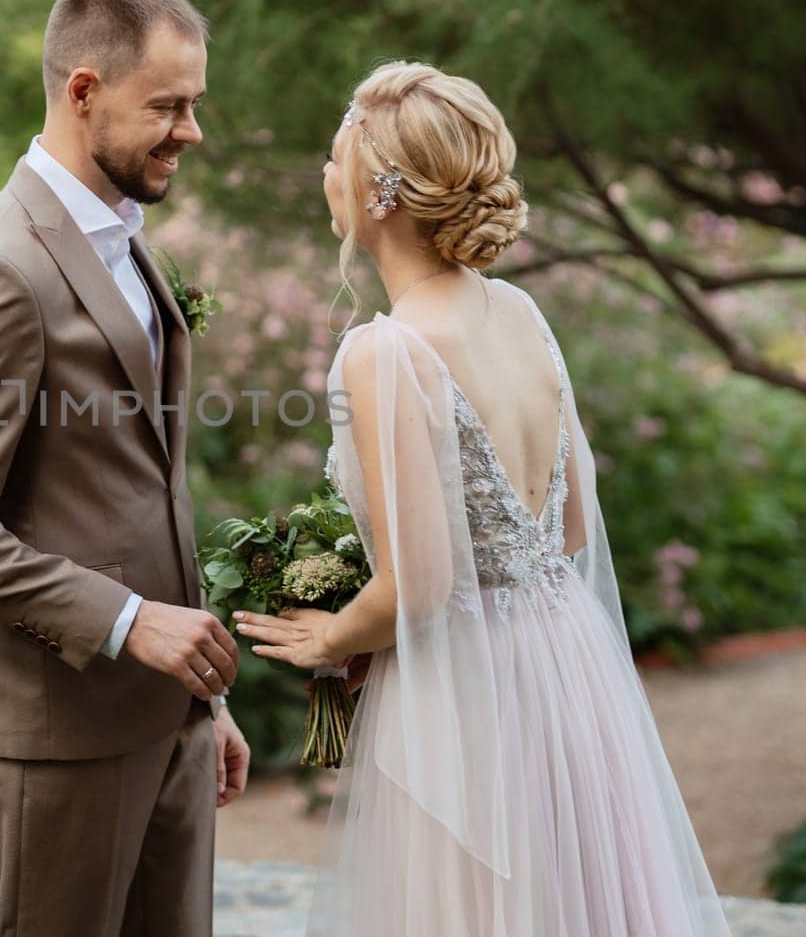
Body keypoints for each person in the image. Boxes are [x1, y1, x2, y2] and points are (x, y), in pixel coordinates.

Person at [235, 61, 733, 936]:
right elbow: (573, 519)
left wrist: (330, 633)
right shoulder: (520, 313)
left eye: (335, 152)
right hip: (566, 663)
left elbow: (419, 588)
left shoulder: (382, 352)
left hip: (468, 688)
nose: (324, 171)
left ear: (381, 194)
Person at [0, 0, 250, 937]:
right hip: (58, 732)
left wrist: (200, 699)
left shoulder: (125, 240)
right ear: (83, 92)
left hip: (163, 716)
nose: (191, 132)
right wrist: (131, 624)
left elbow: (134, 488)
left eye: (195, 104)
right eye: (167, 107)